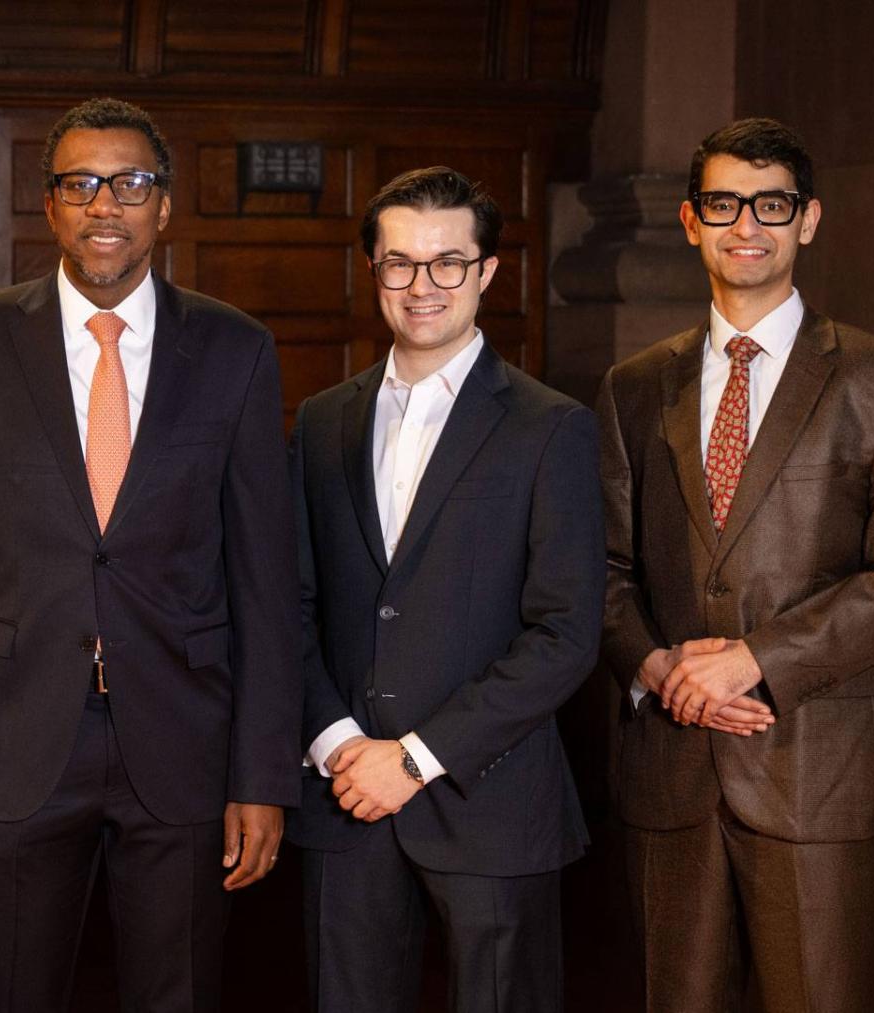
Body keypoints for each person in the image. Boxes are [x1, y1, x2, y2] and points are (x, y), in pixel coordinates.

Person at [0, 96, 301, 1012]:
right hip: (15, 738)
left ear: (165, 205)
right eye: (80, 183)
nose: (103, 203)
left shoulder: (236, 348)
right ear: (50, 205)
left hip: (186, 740)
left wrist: (261, 774)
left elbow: (266, 581)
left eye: (130, 182)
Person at [598, 117, 874, 1012]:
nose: (745, 223)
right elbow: (600, 565)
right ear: (690, 221)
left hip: (818, 776)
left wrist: (756, 659)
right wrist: (657, 665)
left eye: (771, 203)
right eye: (723, 202)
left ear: (808, 219)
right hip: (669, 773)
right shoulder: (634, 386)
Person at [286, 166, 604, 1012]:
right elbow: (293, 605)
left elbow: (566, 633)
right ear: (375, 270)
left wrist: (418, 758)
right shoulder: (322, 420)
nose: (422, 286)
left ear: (487, 272)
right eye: (400, 263)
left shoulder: (552, 426)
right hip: (343, 796)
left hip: (489, 802)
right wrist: (339, 743)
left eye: (447, 263)